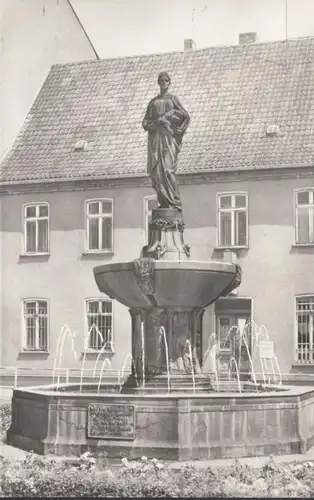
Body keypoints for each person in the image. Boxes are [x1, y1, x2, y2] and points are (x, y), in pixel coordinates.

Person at [142, 72, 190, 212]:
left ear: (169, 83)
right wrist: (156, 123)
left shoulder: (173, 99)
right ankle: (163, 203)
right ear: (158, 83)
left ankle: (174, 203)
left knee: (168, 171)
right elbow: (145, 122)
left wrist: (169, 118)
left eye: (166, 80)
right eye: (161, 80)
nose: (164, 83)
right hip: (156, 140)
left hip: (169, 139)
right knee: (157, 173)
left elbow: (184, 117)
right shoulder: (153, 102)